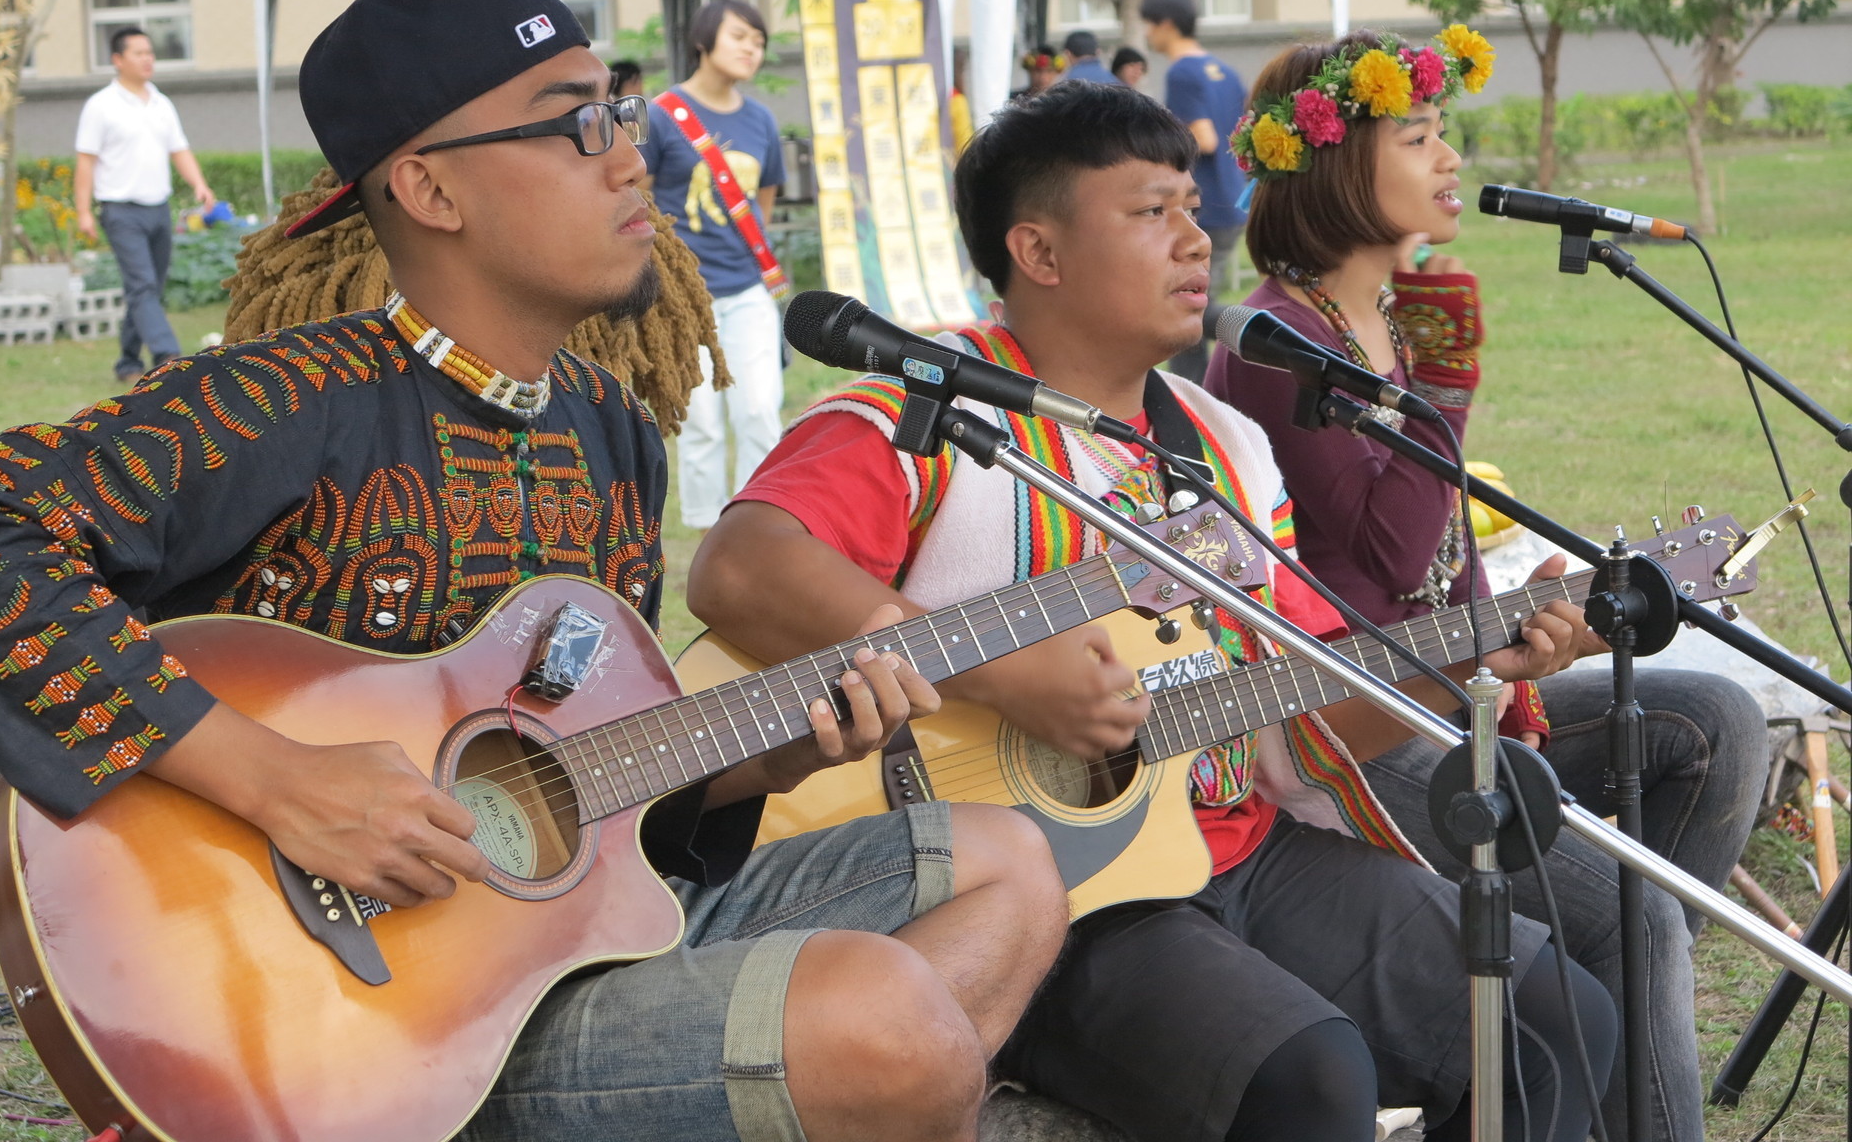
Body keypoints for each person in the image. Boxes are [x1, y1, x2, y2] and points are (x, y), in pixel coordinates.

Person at [0, 0, 1068, 1142]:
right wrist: (276, 779)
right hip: (349, 1015)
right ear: (428, 187)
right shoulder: (276, 403)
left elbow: (585, 775)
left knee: (1008, 865)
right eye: (576, 123)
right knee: (888, 1027)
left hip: (555, 949)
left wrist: (768, 752)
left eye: (618, 112)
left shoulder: (612, 430)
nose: (630, 158)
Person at [690, 82, 1616, 1142]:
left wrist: (1478, 661)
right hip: (1032, 893)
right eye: (1150, 212)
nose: (1196, 236)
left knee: (1553, 1021)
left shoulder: (1225, 443)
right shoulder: (925, 404)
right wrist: (998, 675)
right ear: (1038, 253)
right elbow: (740, 567)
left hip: (1235, 842)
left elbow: (1306, 717)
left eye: (1191, 204)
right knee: (1312, 1081)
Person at [1208, 27, 1766, 1142]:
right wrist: (1451, 390)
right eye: (1417, 136)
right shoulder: (1283, 344)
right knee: (1632, 905)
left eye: (1444, 134)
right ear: (1333, 169)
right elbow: (1395, 562)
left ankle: (1583, 1053)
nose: (1449, 159)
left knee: (1716, 724)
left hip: (1454, 686)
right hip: (1357, 731)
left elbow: (1432, 569)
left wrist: (1522, 610)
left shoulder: (1380, 319)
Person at [638, 0, 790, 530]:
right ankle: (706, 527)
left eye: (759, 41)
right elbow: (641, 199)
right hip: (683, 298)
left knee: (759, 411)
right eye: (740, 37)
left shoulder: (761, 121)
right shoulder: (662, 115)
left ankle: (757, 522)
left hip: (747, 291)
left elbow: (764, 198)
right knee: (700, 422)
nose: (752, 48)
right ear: (704, 41)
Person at [74, 26, 218, 382]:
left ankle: (126, 361)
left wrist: (199, 184)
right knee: (141, 285)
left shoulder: (161, 103)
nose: (147, 59)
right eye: (139, 53)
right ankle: (167, 354)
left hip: (158, 208)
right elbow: (85, 162)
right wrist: (82, 211)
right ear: (118, 60)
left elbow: (179, 150)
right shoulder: (101, 106)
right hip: (120, 210)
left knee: (148, 288)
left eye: (150, 52)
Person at [1140, 0, 1248, 379]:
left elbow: (1203, 138)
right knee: (1189, 304)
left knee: (1187, 307)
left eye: (1149, 25)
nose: (1148, 35)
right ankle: (1190, 395)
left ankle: (1260, 325)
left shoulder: (1183, 72)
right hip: (1233, 198)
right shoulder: (1224, 70)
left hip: (1205, 208)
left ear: (1166, 24)